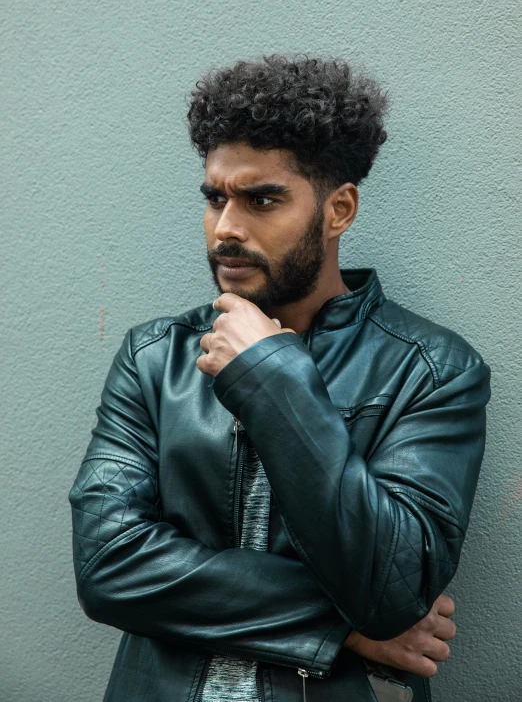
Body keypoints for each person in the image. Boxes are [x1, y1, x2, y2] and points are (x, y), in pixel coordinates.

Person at [69, 54, 490, 702]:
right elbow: (108, 564)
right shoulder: (154, 357)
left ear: (338, 209)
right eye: (215, 197)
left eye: (263, 198)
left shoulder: (430, 369)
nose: (227, 227)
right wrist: (345, 629)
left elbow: (395, 588)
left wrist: (275, 380)